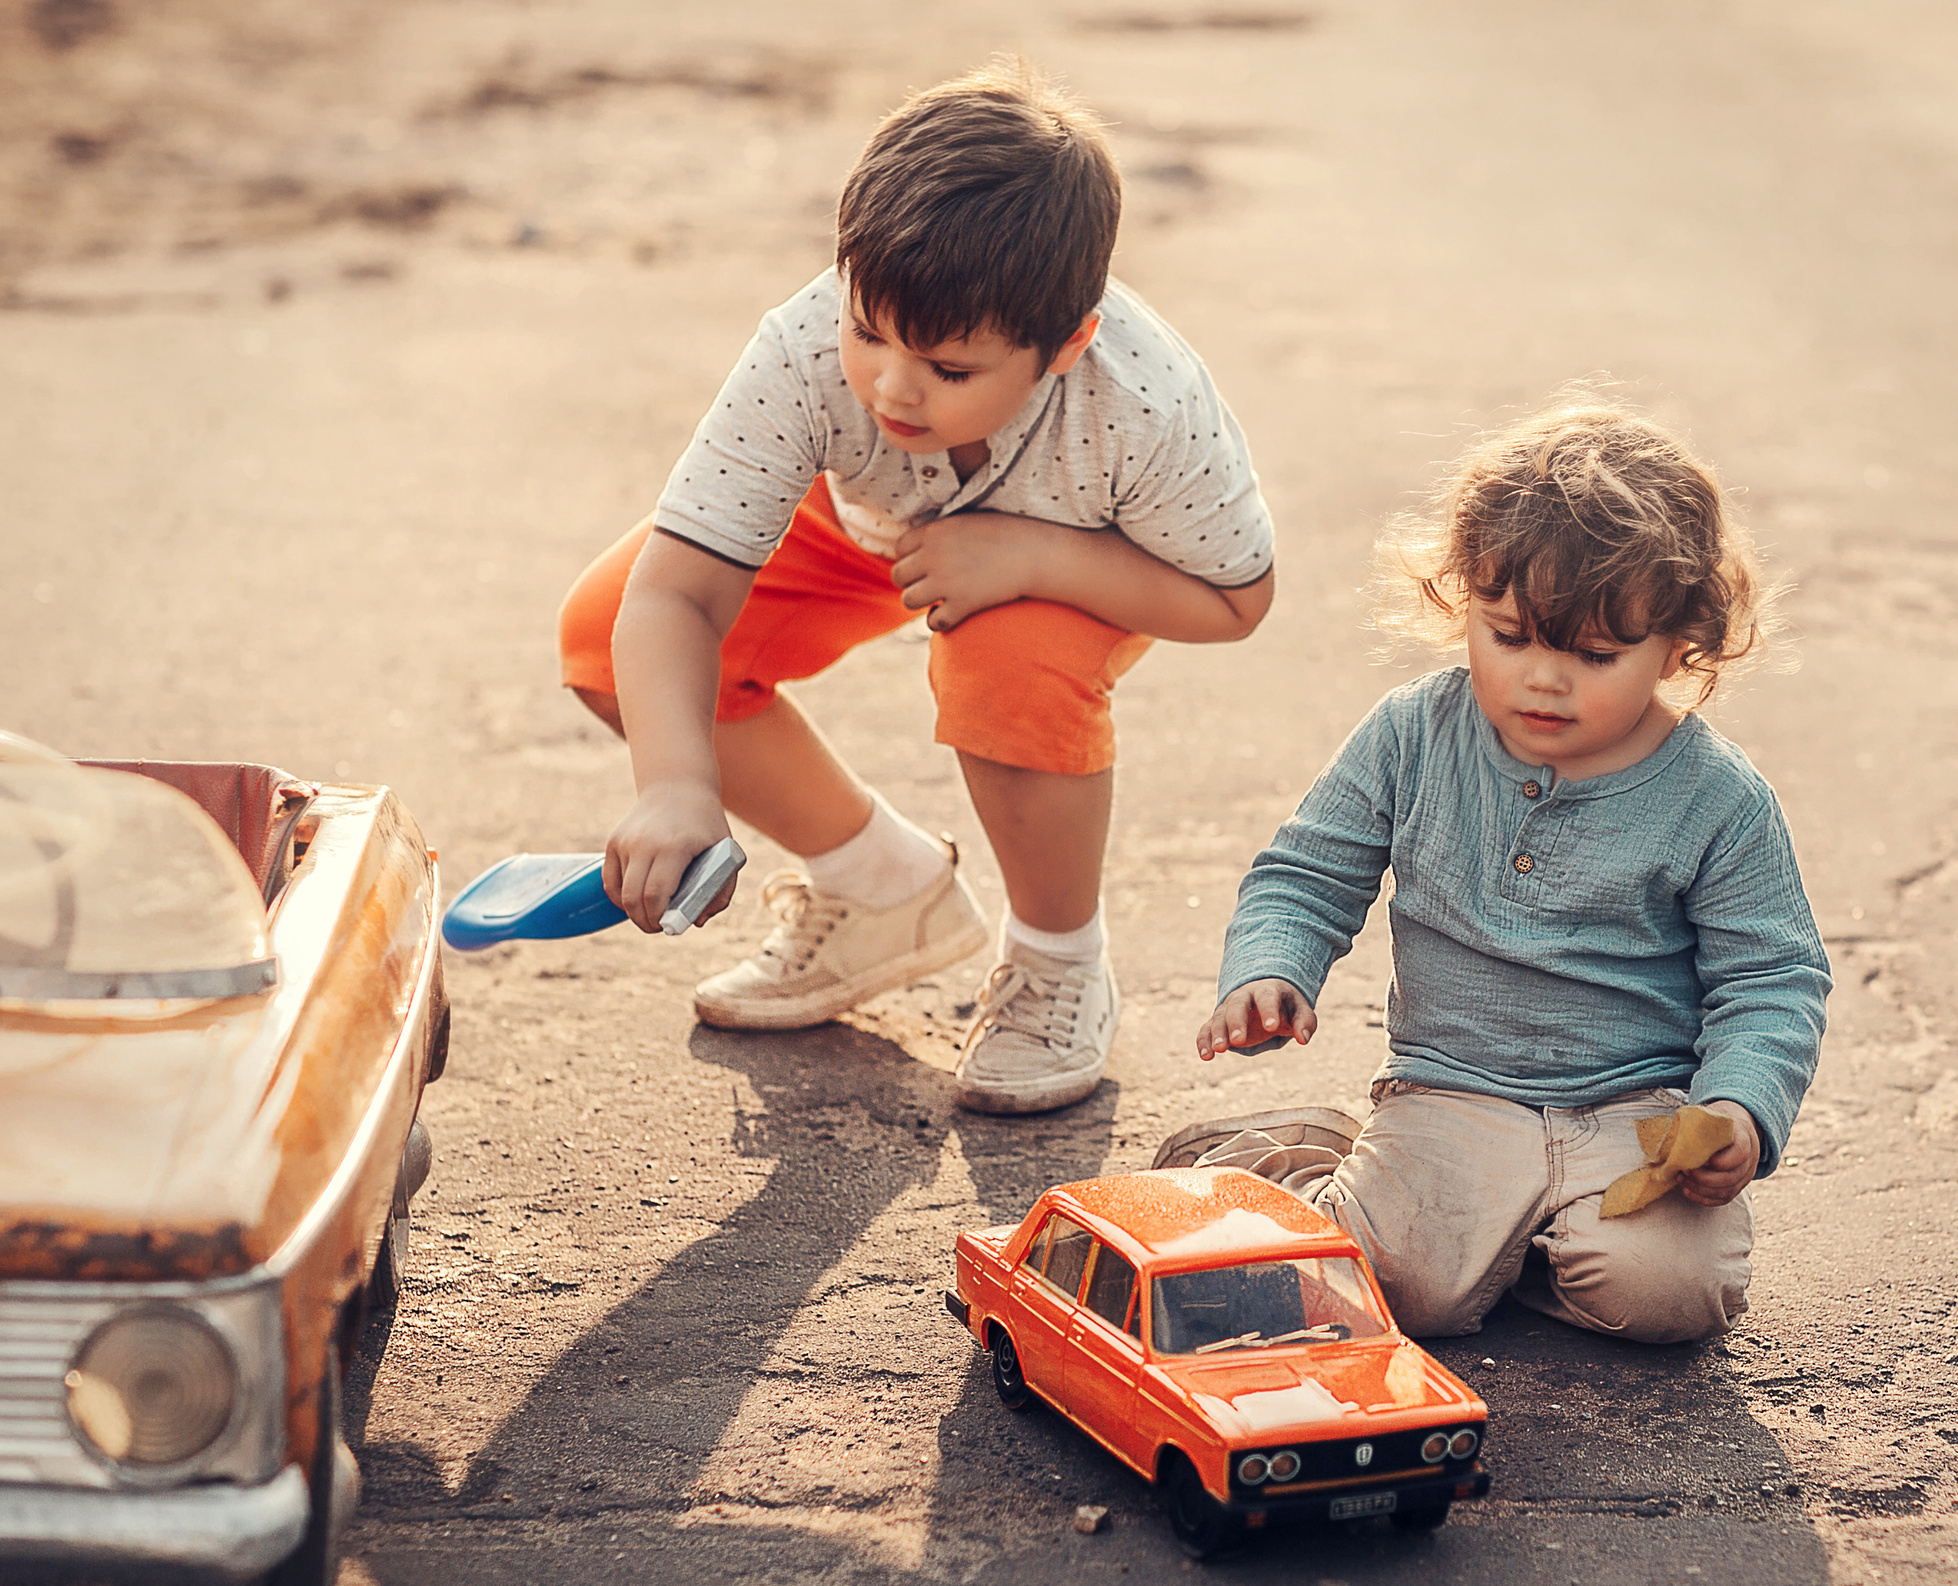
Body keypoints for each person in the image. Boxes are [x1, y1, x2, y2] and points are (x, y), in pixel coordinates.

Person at [563, 60, 1276, 1114]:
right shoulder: (805, 345)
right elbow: (677, 594)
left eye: (949, 369)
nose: (893, 386)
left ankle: (1056, 962)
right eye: (868, 332)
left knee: (1009, 667)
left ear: (1066, 343)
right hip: (863, 525)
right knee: (606, 636)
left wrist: (1034, 559)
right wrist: (674, 783)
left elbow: (1236, 601)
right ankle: (880, 888)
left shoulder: (1143, 403)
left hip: (1078, 554)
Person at [1181, 399, 1828, 1343]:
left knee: (1668, 1298)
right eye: (1510, 635)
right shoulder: (1414, 733)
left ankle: (1521, 1242)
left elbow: (1773, 979)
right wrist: (1271, 969)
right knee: (1402, 1295)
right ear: (1462, 602)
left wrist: (1739, 1107)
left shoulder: (1719, 798)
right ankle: (1299, 1162)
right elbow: (1308, 871)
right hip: (1453, 1090)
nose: (1543, 679)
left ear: (1681, 643)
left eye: (1596, 655)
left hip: (1635, 1111)